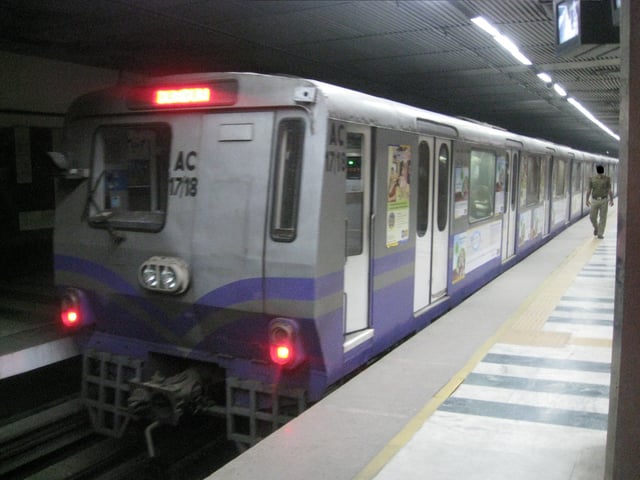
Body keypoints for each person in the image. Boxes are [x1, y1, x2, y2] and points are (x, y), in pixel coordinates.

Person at [585, 165, 614, 239]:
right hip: (594, 200)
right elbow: (589, 190)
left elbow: (609, 190)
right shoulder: (592, 179)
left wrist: (611, 200)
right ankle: (597, 228)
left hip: (604, 200)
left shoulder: (607, 179)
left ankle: (600, 233)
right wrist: (587, 199)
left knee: (603, 217)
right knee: (592, 217)